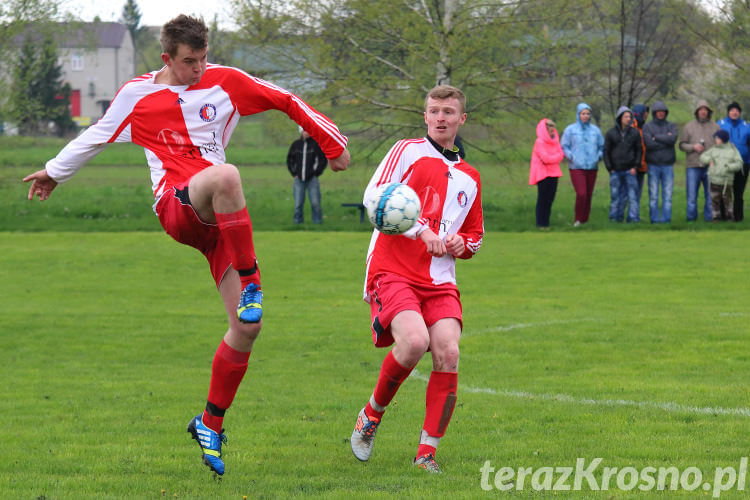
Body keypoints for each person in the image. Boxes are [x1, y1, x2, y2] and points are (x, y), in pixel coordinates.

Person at [23, 14, 350, 477]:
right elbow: (97, 134)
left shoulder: (226, 82)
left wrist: (333, 145)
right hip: (178, 206)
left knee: (246, 328)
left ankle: (210, 423)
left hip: (223, 228)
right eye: (188, 62)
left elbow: (287, 99)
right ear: (167, 58)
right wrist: (54, 172)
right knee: (228, 174)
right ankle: (252, 281)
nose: (198, 69)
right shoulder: (138, 94)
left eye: (203, 59)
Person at [349, 85, 483, 474]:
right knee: (414, 342)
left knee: (449, 353)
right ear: (425, 116)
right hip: (393, 268)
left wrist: (462, 244)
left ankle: (426, 455)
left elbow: (476, 235)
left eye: (448, 111)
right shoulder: (406, 151)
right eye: (434, 111)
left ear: (462, 119)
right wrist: (420, 231)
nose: (440, 117)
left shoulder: (470, 177)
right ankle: (371, 416)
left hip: (440, 279)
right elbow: (375, 198)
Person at [561, 102, 604, 227]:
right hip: (576, 166)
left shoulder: (595, 130)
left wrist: (598, 156)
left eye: (587, 114)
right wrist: (571, 157)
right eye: (583, 113)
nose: (585, 116)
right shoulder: (570, 130)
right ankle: (578, 219)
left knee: (589, 194)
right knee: (581, 193)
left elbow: (602, 146)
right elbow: (564, 146)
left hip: (592, 166)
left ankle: (585, 220)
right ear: (578, 114)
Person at [678, 100, 719, 222]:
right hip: (693, 165)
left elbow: (720, 146)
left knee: (711, 196)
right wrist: (693, 147)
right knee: (691, 196)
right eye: (701, 109)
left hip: (710, 166)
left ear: (709, 111)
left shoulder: (716, 127)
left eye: (705, 109)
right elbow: (681, 145)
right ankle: (691, 220)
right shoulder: (688, 126)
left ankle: (709, 219)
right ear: (697, 111)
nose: (703, 111)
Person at [603, 106, 642, 222]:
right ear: (620, 118)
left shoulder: (635, 133)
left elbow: (639, 150)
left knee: (632, 196)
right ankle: (615, 218)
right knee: (616, 196)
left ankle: (633, 218)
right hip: (615, 170)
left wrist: (636, 166)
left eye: (630, 116)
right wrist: (609, 168)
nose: (628, 119)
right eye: (626, 116)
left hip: (630, 170)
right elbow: (606, 151)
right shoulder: (611, 133)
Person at [643, 100, 678, 223]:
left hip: (668, 165)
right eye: (658, 111)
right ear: (654, 113)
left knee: (667, 195)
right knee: (653, 195)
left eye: (663, 111)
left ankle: (666, 219)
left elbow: (672, 140)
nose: (661, 114)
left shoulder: (672, 126)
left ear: (666, 113)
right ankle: (654, 219)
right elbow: (649, 144)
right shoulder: (647, 127)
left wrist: (656, 137)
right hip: (653, 165)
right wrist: (665, 140)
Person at [287, 126, 328, 224]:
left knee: (315, 203)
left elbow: (322, 160)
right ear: (301, 132)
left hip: (312, 180)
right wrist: (294, 173)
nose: (306, 133)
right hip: (298, 179)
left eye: (308, 130)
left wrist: (316, 173)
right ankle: (297, 222)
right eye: (304, 130)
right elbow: (290, 160)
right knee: (298, 203)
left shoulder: (316, 145)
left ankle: (317, 222)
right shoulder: (296, 145)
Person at [700, 129, 744, 221]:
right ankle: (716, 218)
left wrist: (729, 167)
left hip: (726, 181)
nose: (715, 139)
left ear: (723, 139)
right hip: (713, 180)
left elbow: (739, 163)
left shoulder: (732, 150)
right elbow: (702, 156)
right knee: (714, 200)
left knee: (727, 201)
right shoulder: (713, 149)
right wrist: (709, 160)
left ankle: (729, 218)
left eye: (717, 138)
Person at [717, 102, 750, 221]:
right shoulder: (720, 125)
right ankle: (723, 216)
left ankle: (738, 217)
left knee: (738, 192)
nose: (734, 112)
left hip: (743, 164)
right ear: (728, 112)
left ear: (740, 113)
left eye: (737, 110)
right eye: (732, 110)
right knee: (724, 191)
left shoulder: (747, 126)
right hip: (725, 164)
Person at [529, 118, 564, 229]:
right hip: (543, 174)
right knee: (542, 199)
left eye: (553, 126)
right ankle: (541, 223)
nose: (552, 129)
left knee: (550, 199)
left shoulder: (555, 140)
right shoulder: (539, 142)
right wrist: (555, 158)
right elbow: (545, 158)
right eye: (549, 126)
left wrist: (554, 158)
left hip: (554, 173)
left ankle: (546, 223)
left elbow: (561, 154)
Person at [631, 104, 649, 204]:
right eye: (645, 112)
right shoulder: (632, 127)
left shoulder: (644, 127)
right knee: (631, 192)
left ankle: (634, 215)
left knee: (638, 193)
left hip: (642, 165)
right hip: (632, 166)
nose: (646, 114)